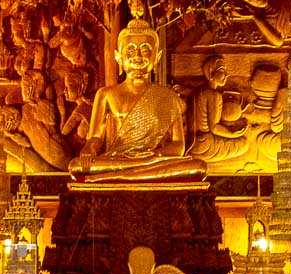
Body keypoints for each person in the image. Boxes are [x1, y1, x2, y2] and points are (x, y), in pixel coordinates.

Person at [68, 12, 207, 183]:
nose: (138, 56)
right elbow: (95, 137)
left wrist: (153, 155)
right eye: (131, 49)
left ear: (157, 57)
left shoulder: (168, 96)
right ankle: (120, 173)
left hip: (153, 160)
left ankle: (116, 177)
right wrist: (89, 147)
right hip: (118, 160)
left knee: (198, 167)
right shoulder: (106, 94)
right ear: (119, 57)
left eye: (145, 50)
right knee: (76, 167)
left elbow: (179, 145)